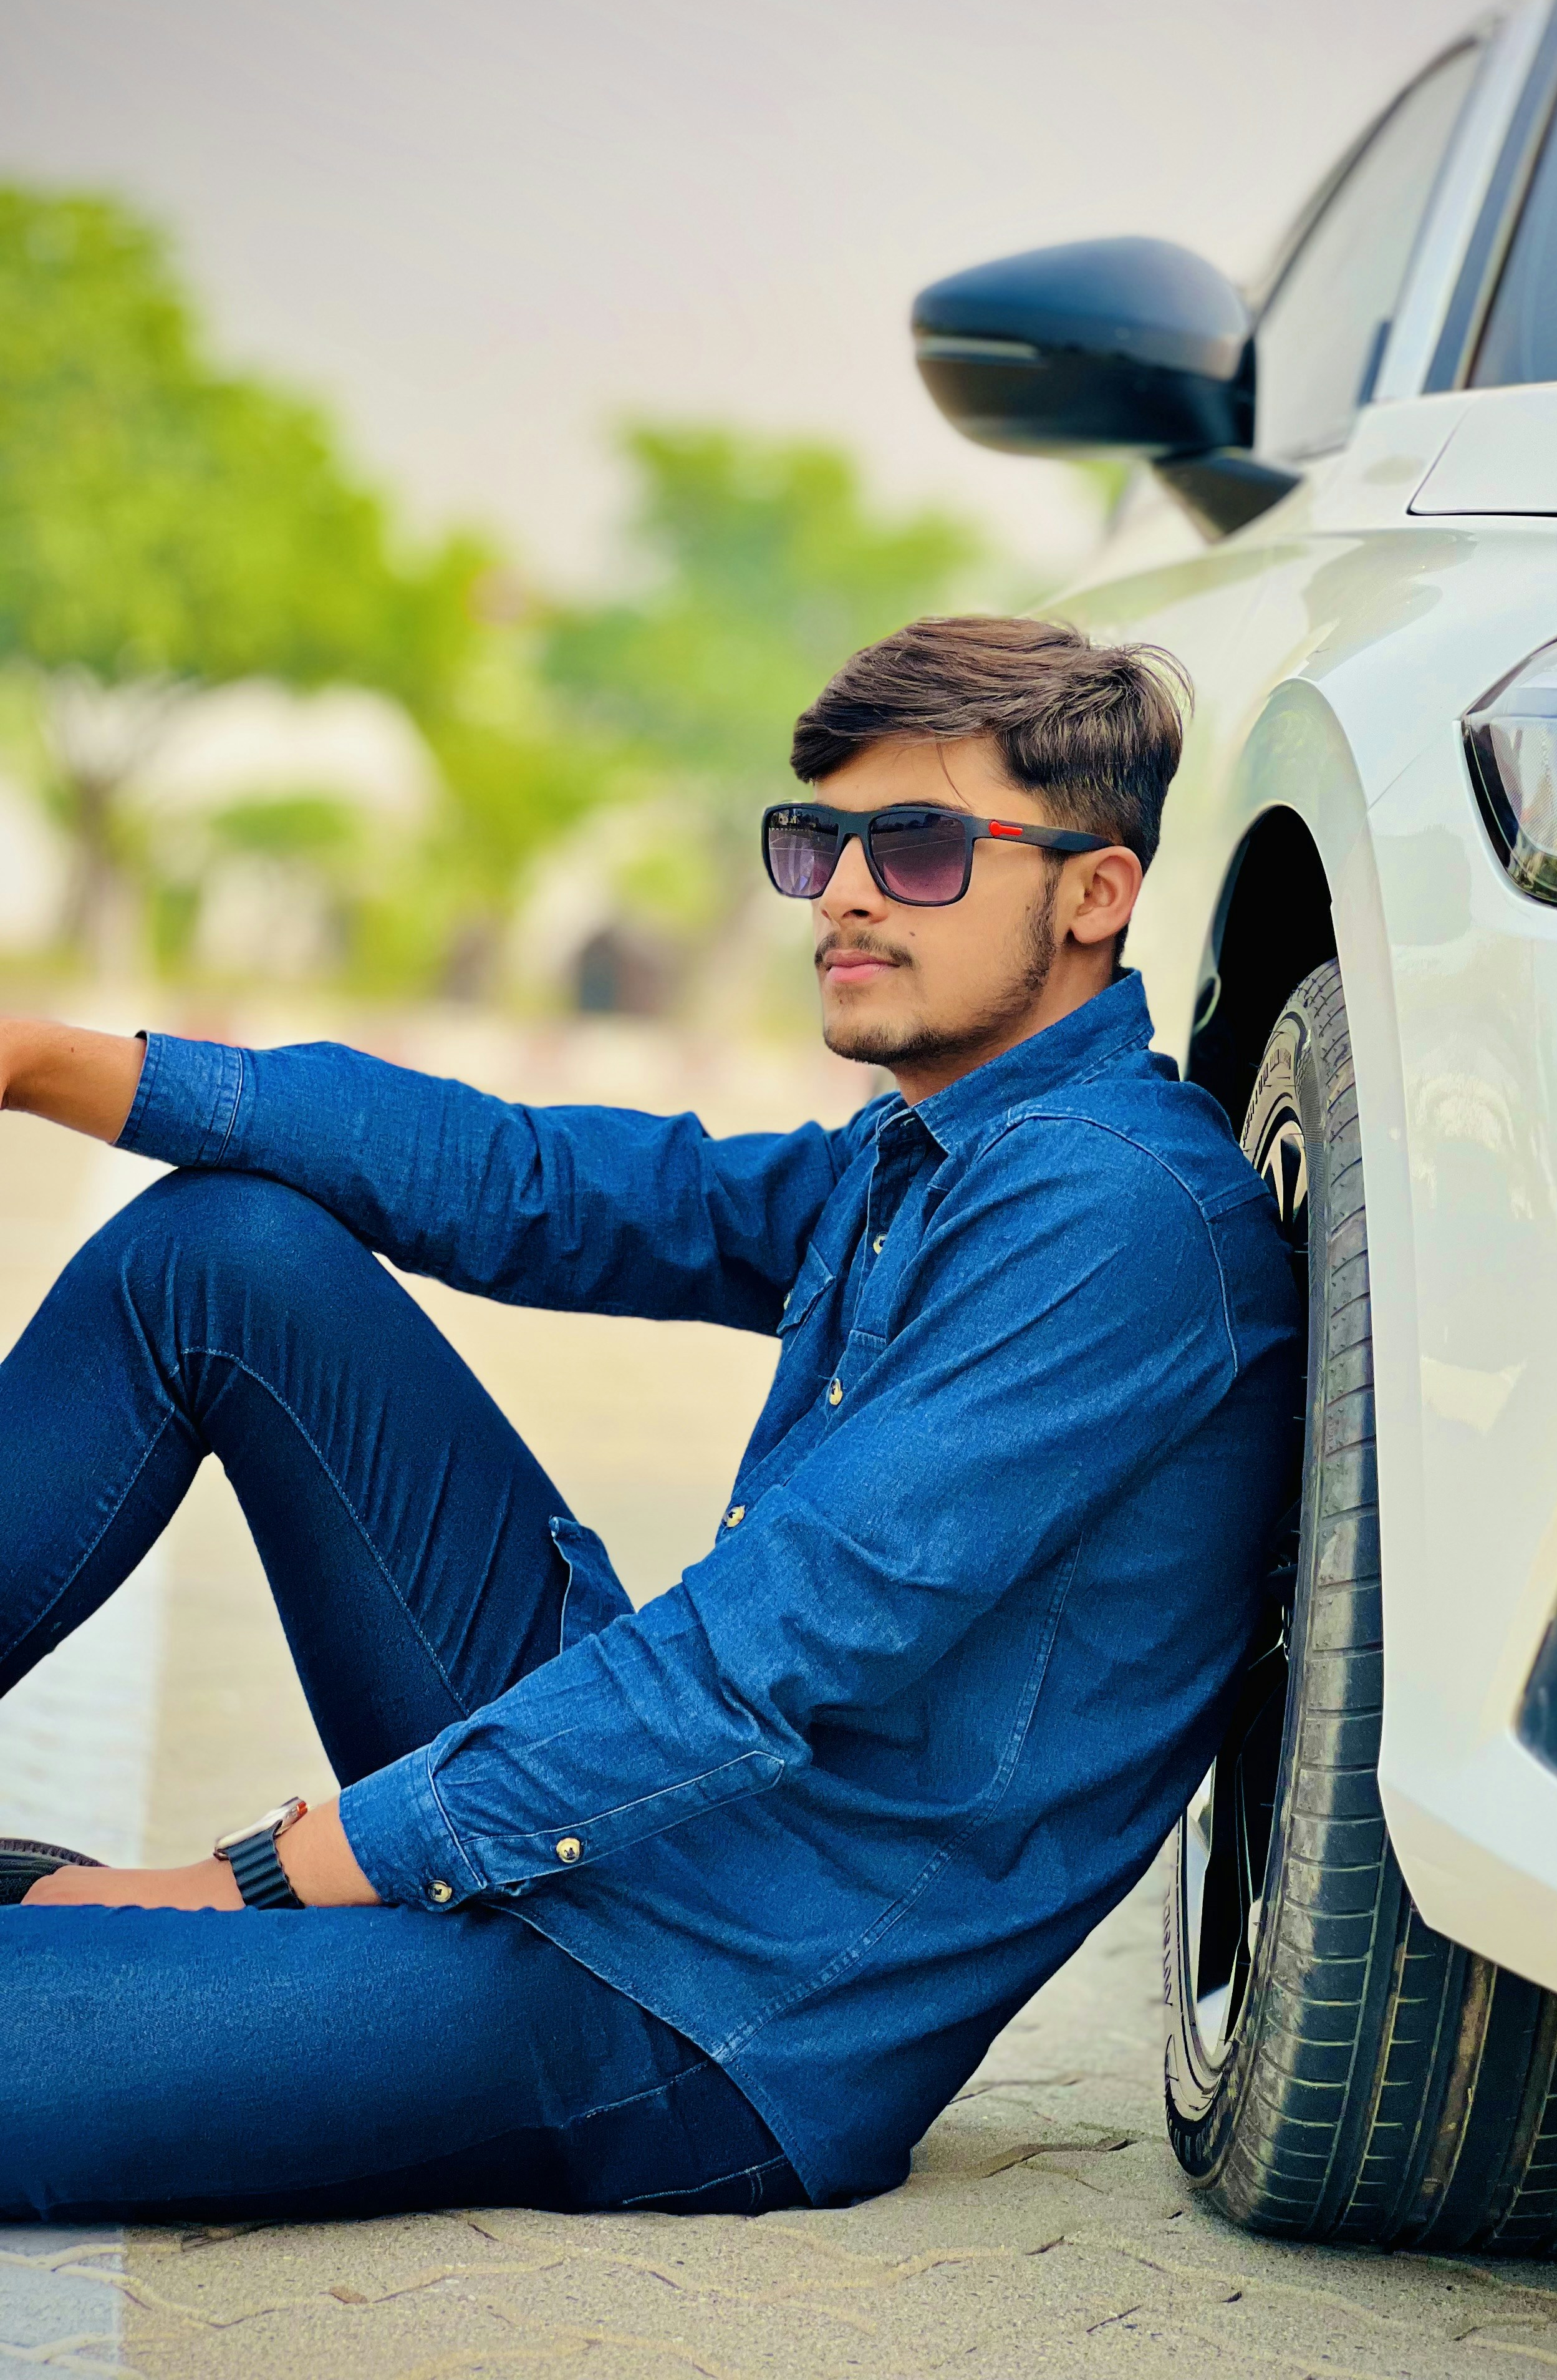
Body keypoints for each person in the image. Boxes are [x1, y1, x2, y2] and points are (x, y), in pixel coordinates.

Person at [0, 614, 1299, 2221]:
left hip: (705, 2009)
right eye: (822, 839)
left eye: (918, 849)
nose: (842, 890)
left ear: (1097, 892)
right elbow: (536, 1184)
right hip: (624, 1840)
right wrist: (40, 1058)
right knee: (227, 1252)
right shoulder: (926, 1155)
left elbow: (765, 1647)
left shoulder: (1114, 1220)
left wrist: (256, 1883)